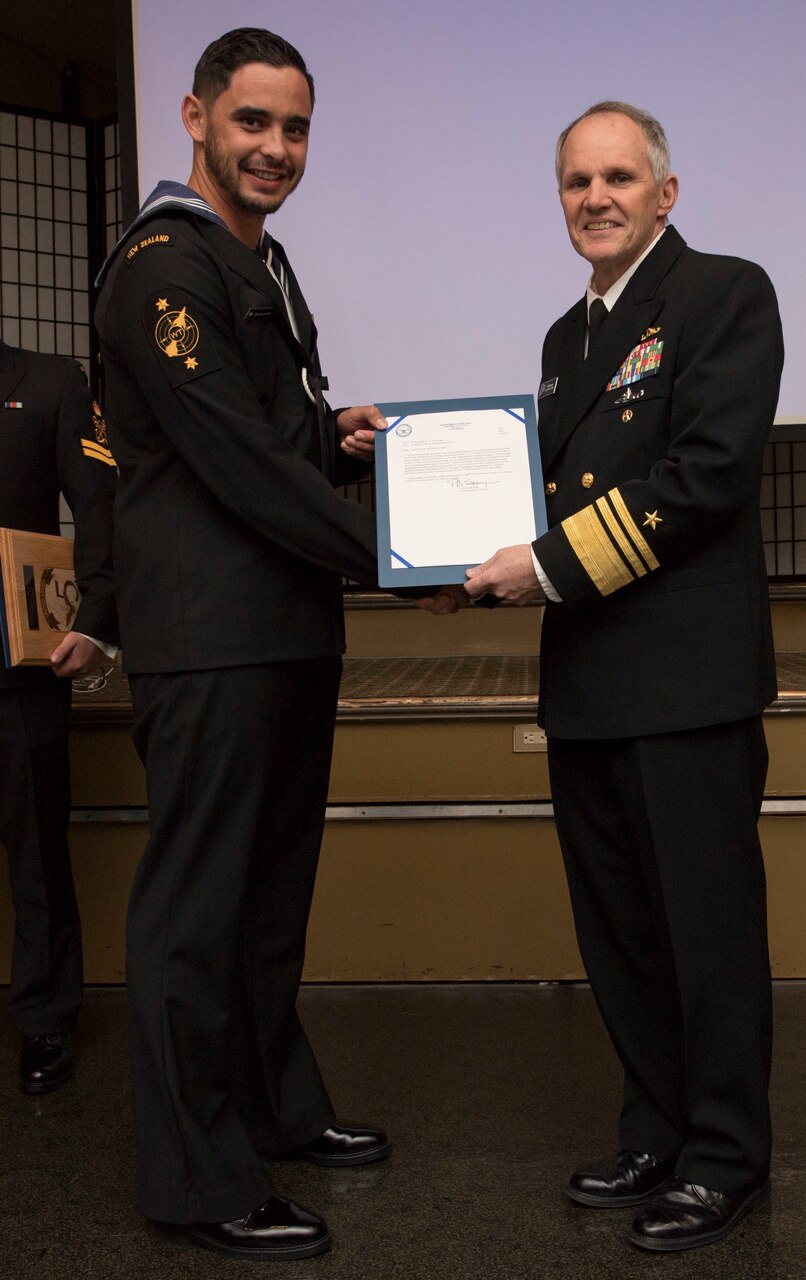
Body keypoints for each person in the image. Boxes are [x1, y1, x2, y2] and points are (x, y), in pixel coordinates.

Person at [94, 28, 456, 1262]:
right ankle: (199, 1177)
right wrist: (392, 558)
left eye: (294, 128)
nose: (275, 149)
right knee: (198, 906)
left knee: (266, 900)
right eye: (252, 123)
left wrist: (330, 435)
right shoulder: (160, 266)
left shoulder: (262, 260)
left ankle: (270, 1109)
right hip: (210, 641)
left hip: (282, 630)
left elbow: (265, 434)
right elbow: (228, 463)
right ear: (195, 116)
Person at [465, 102, 783, 1252]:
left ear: (665, 191)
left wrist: (536, 565)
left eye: (614, 177)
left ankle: (725, 1153)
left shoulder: (723, 295)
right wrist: (461, 548)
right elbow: (544, 498)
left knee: (704, 931)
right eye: (572, 182)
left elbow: (700, 479)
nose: (591, 198)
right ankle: (655, 1124)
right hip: (590, 682)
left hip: (687, 685)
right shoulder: (566, 337)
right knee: (620, 931)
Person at [0, 339, 117, 1093]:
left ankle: (45, 1020)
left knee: (38, 845)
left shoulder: (49, 382)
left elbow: (103, 505)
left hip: (20, 664)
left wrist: (100, 618)